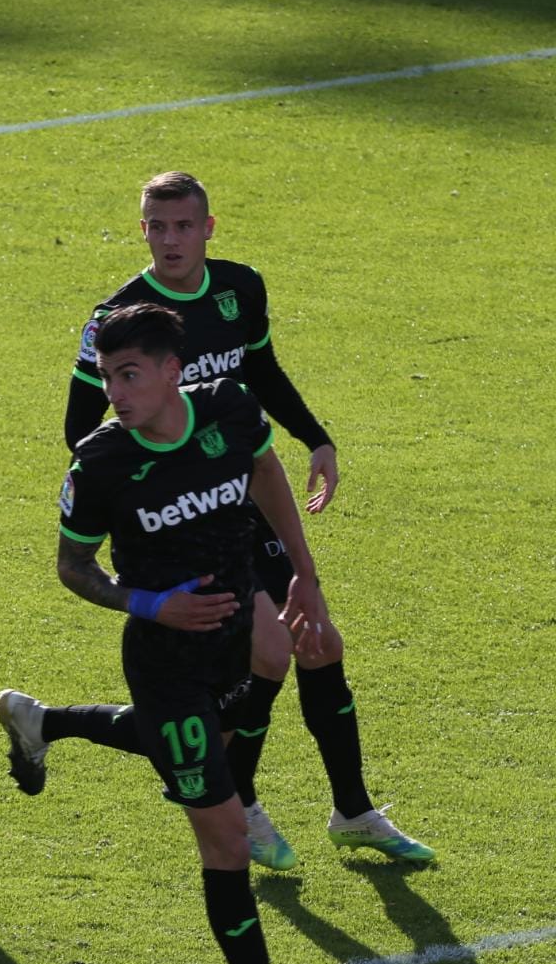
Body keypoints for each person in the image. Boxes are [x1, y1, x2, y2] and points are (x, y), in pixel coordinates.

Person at [6, 302, 359, 964]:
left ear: (172, 370)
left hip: (236, 639)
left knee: (230, 709)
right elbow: (73, 567)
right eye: (107, 377)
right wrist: (149, 602)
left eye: (129, 375)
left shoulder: (231, 409)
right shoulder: (99, 464)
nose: (117, 393)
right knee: (226, 838)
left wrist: (303, 568)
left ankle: (46, 720)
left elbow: (267, 470)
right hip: (165, 661)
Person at [45, 170, 431, 867]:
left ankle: (351, 809)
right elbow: (81, 430)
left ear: (208, 228)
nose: (170, 240)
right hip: (186, 519)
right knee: (264, 655)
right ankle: (233, 797)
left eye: (183, 226)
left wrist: (316, 436)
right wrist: (158, 481)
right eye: (157, 227)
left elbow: (264, 371)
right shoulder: (117, 318)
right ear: (142, 230)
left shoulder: (239, 289)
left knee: (317, 643)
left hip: (243, 492)